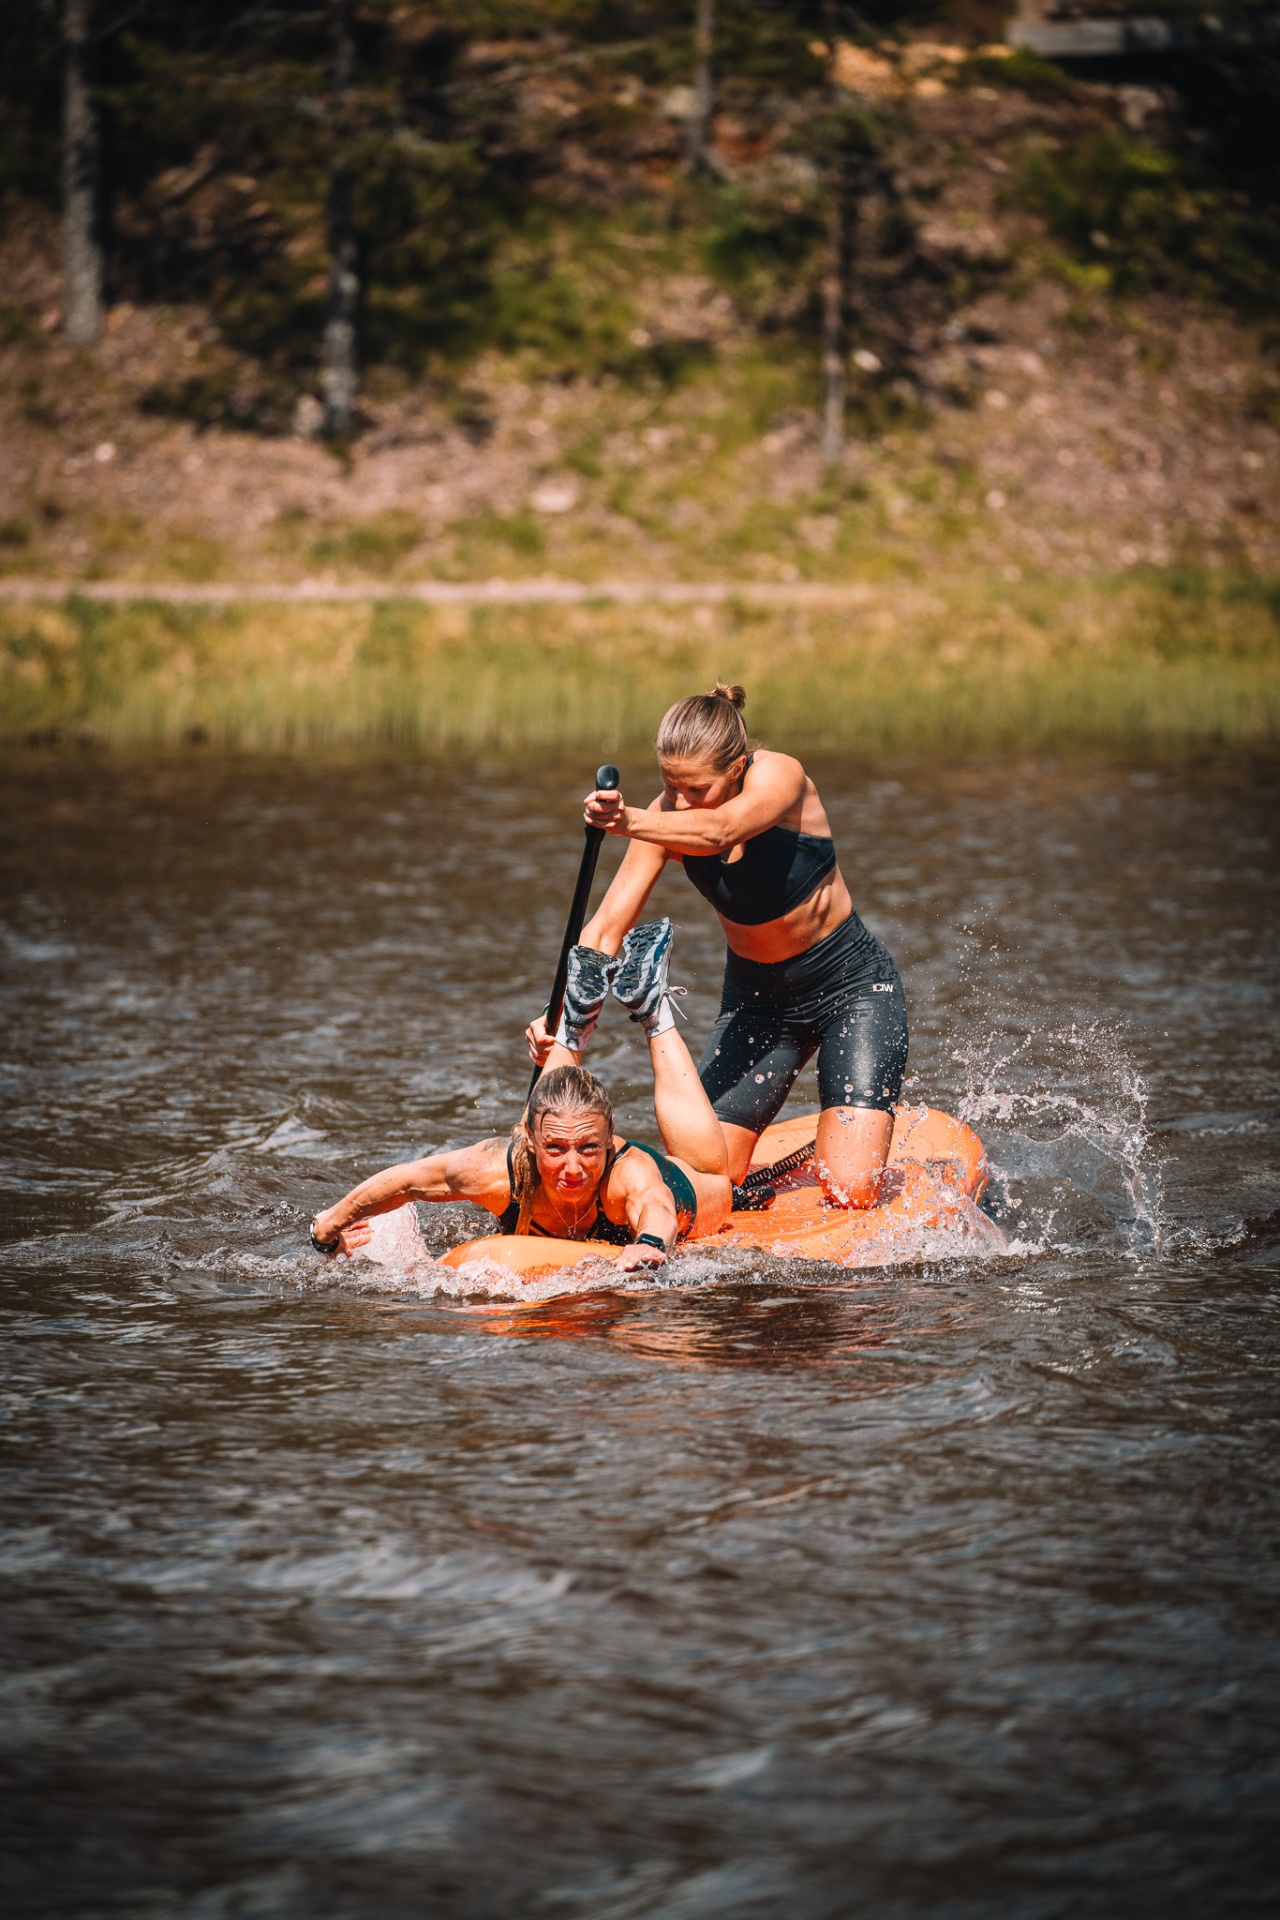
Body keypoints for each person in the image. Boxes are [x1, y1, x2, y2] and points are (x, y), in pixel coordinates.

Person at [527, 683, 908, 1209]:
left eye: (695, 790)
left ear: (736, 768)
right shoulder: (667, 814)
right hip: (757, 1006)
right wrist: (556, 1012)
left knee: (851, 1191)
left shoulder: (781, 776)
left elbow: (720, 830)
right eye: (669, 787)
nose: (679, 803)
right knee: (709, 1178)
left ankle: (858, 1149)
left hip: (851, 991)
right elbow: (604, 930)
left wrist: (630, 819)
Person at [309, 922, 731, 1270]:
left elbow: (656, 1205)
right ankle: (575, 1021)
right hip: (538, 1141)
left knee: (719, 1177)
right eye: (555, 1148)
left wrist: (650, 1244)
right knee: (552, 1107)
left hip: (689, 1184)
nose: (572, 1168)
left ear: (608, 1139)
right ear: (530, 1140)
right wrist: (328, 1227)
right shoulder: (497, 1171)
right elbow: (407, 1182)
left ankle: (652, 1013)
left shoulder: (628, 1177)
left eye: (588, 1148)